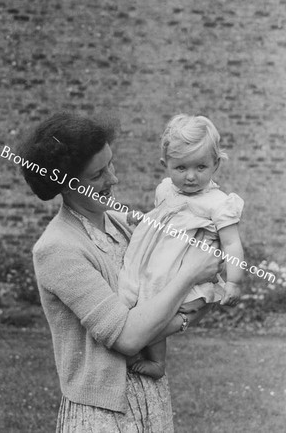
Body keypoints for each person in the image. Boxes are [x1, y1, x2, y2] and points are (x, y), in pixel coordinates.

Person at [18, 111, 222, 432]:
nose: (113, 179)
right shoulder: (57, 249)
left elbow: (158, 292)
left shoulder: (118, 222)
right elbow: (128, 338)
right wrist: (190, 279)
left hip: (150, 397)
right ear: (66, 183)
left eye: (110, 164)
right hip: (103, 414)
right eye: (98, 174)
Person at [118, 114, 244, 380]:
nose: (190, 177)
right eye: (180, 168)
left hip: (183, 272)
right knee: (146, 305)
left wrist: (234, 281)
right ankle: (145, 354)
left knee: (160, 312)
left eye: (200, 167)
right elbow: (161, 221)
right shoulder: (166, 190)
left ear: (216, 164)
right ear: (166, 165)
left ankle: (158, 362)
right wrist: (141, 220)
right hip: (156, 267)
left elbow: (232, 242)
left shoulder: (217, 203)